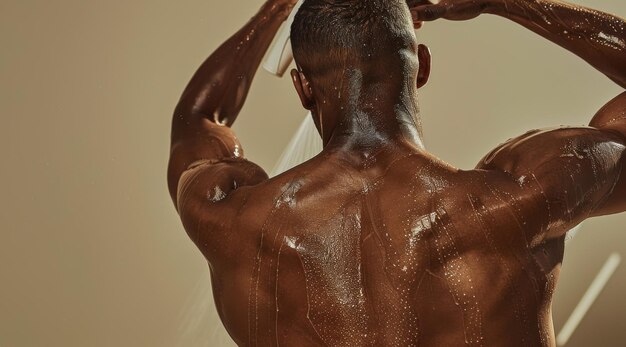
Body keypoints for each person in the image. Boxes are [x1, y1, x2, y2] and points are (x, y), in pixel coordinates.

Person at [167, 0, 625, 345]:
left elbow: (197, 118)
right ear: (421, 66)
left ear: (302, 87)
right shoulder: (518, 198)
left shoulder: (231, 218)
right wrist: (504, 3)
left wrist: (278, 9)